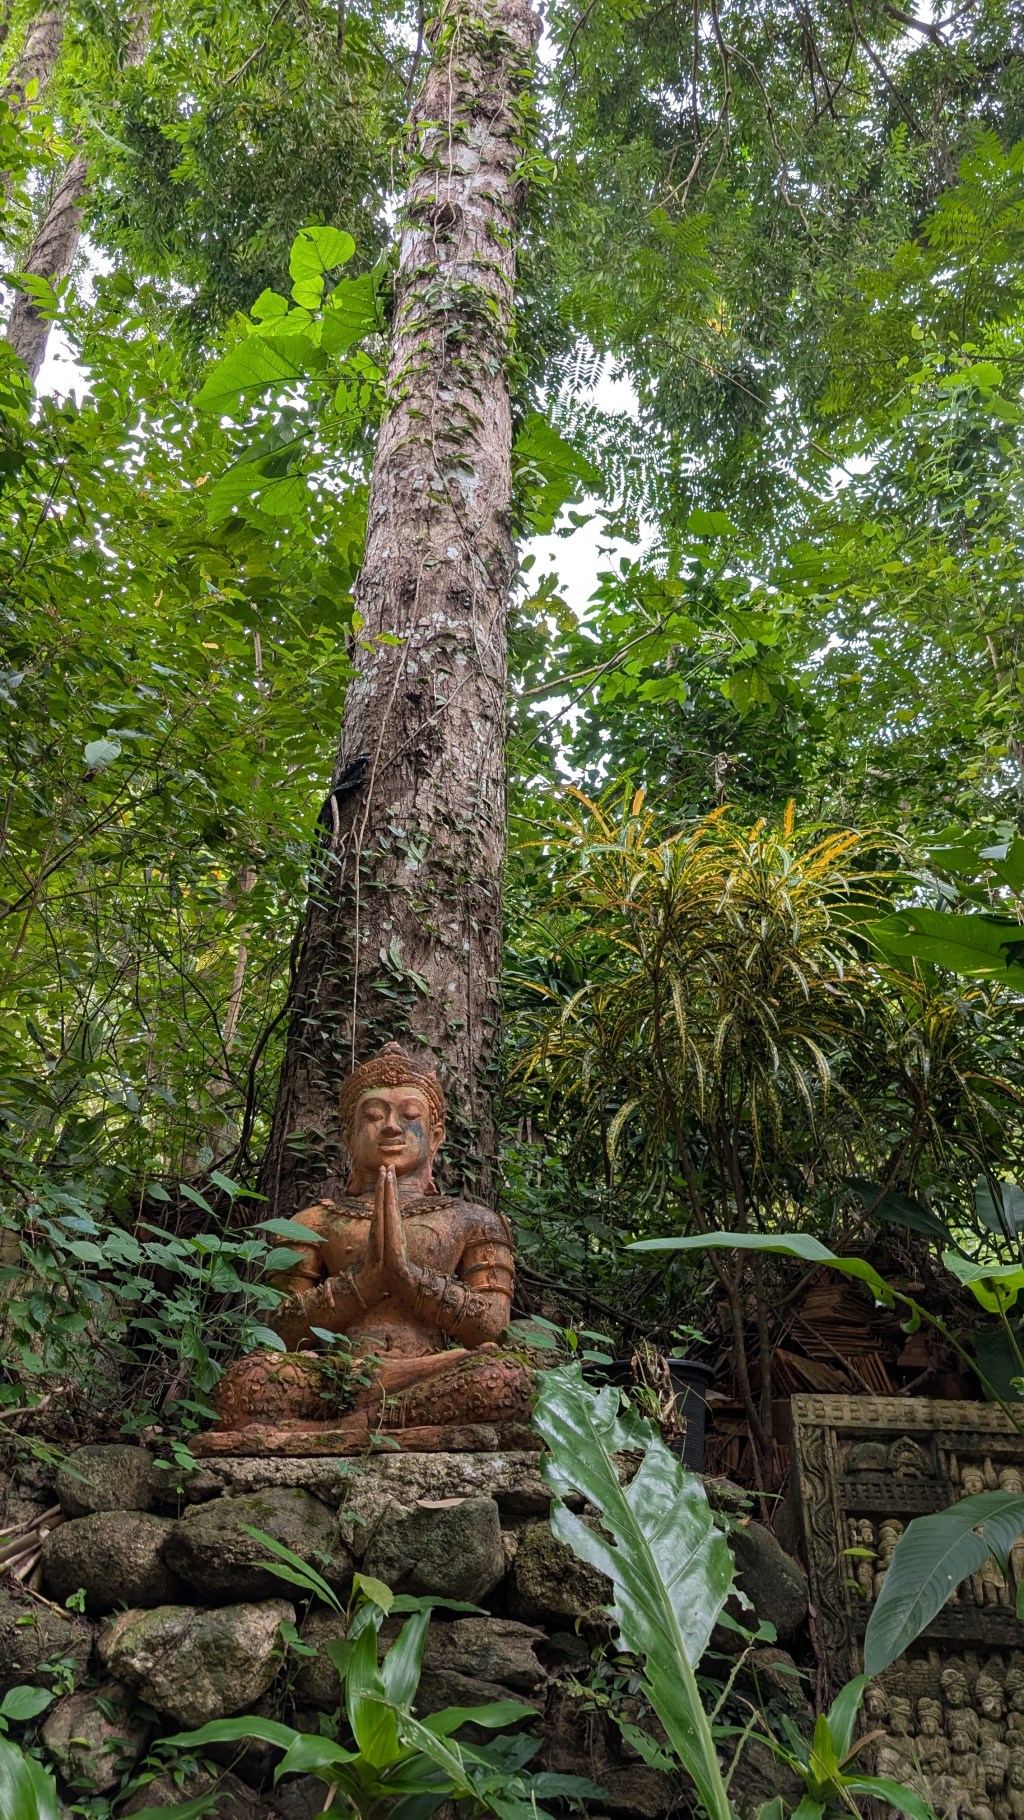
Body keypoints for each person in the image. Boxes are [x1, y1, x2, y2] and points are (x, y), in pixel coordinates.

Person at [210, 1044, 531, 1444]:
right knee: (248, 1380)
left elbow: (493, 1329)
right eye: (374, 1116)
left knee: (507, 1378)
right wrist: (364, 1281)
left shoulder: (473, 1220)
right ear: (349, 1135)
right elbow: (278, 1331)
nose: (392, 1127)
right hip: (337, 1378)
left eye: (410, 1115)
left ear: (435, 1135)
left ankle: (337, 1429)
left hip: (432, 1372)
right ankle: (385, 1423)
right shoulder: (313, 1222)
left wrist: (406, 1277)